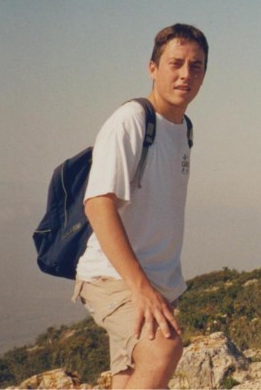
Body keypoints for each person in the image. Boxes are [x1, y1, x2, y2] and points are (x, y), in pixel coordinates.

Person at [74, 24, 209, 389]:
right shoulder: (132, 120)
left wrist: (156, 287)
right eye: (175, 63)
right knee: (163, 349)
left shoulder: (183, 128)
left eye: (196, 66)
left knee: (132, 377)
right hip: (114, 276)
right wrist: (141, 289)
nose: (186, 74)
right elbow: (98, 204)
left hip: (154, 282)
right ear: (153, 68)